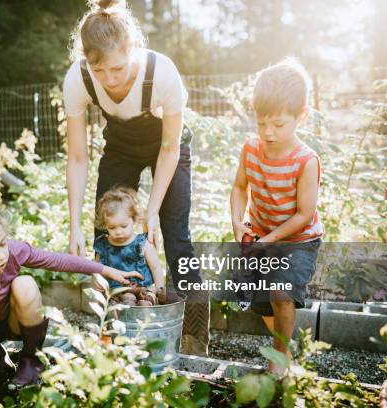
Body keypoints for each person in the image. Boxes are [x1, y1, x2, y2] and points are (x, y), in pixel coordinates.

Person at [63, 0, 210, 355]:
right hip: (121, 147)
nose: (110, 79)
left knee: (176, 238)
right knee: (106, 232)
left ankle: (194, 338)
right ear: (87, 61)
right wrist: (74, 224)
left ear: (133, 51)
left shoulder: (162, 73)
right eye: (100, 70)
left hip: (167, 148)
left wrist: (152, 213)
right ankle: (114, 330)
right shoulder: (78, 79)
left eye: (117, 68)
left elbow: (169, 149)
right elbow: (78, 157)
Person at [0, 200, 141, 407]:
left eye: (2, 244)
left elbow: (58, 261)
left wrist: (107, 270)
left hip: (17, 318)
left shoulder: (13, 252)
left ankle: (31, 360)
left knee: (25, 283)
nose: (1, 256)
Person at [229, 58, 324, 375]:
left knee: (281, 295)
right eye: (261, 123)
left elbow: (302, 215)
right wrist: (237, 220)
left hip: (299, 240)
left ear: (301, 116)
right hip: (261, 236)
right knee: (260, 302)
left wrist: (267, 241)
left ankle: (278, 363)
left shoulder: (305, 161)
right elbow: (240, 188)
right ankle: (286, 347)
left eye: (279, 125)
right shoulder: (251, 149)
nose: (268, 133)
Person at [94, 187, 167, 306]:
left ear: (133, 220)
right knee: (125, 299)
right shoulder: (103, 246)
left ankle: (147, 304)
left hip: (144, 289)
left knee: (147, 299)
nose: (118, 231)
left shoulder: (143, 243)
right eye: (112, 228)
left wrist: (159, 289)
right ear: (105, 225)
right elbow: (96, 267)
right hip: (117, 292)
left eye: (123, 226)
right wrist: (96, 279)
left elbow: (156, 267)